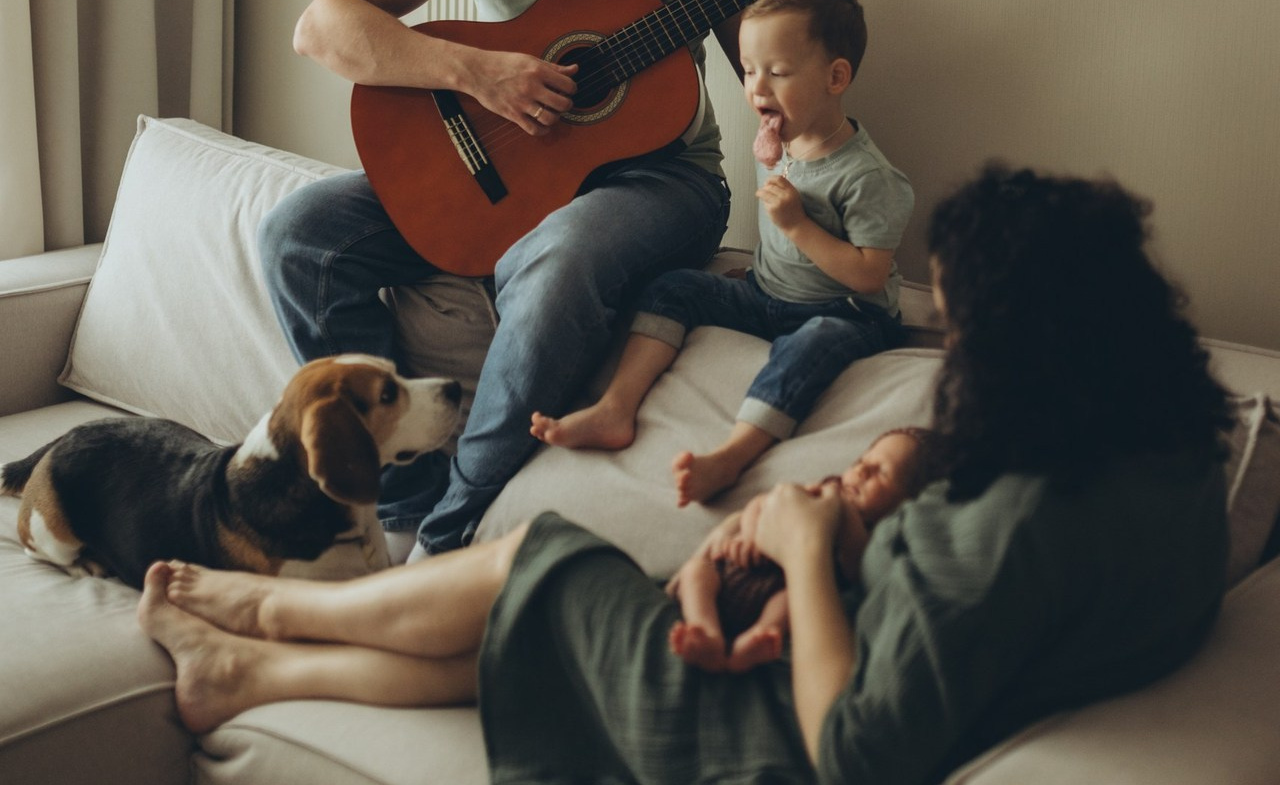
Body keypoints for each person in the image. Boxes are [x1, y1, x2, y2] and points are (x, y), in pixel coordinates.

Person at [139, 163, 1233, 785]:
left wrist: (805, 548)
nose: (945, 341)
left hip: (764, 735)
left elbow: (855, 750)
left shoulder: (1015, 532)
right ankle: (247, 675)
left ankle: (266, 602)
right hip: (813, 641)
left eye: (959, 323)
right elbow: (971, 586)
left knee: (540, 557)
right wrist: (849, 511)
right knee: (537, 619)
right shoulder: (1166, 452)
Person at [257, 0, 891, 557]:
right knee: (297, 236)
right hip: (507, 166)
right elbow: (321, 26)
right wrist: (478, 73)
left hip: (662, 180)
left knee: (556, 257)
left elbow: (768, 76)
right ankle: (401, 494)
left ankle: (444, 539)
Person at [530, 0, 913, 506]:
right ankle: (615, 409)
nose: (757, 89)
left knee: (813, 344)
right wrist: (764, 272)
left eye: (777, 73)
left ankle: (731, 456)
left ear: (836, 76)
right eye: (750, 70)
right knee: (673, 288)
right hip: (766, 295)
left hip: (847, 312)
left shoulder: (868, 177)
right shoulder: (778, 141)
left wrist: (798, 226)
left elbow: (870, 274)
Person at [668, 427, 931, 674]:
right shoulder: (824, 489)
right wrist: (749, 535)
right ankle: (705, 632)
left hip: (783, 589)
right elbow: (763, 503)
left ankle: (758, 639)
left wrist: (846, 516)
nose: (862, 471)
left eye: (881, 472)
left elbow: (855, 567)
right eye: (862, 461)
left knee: (787, 601)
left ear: (903, 505)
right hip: (737, 571)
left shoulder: (875, 539)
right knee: (696, 571)